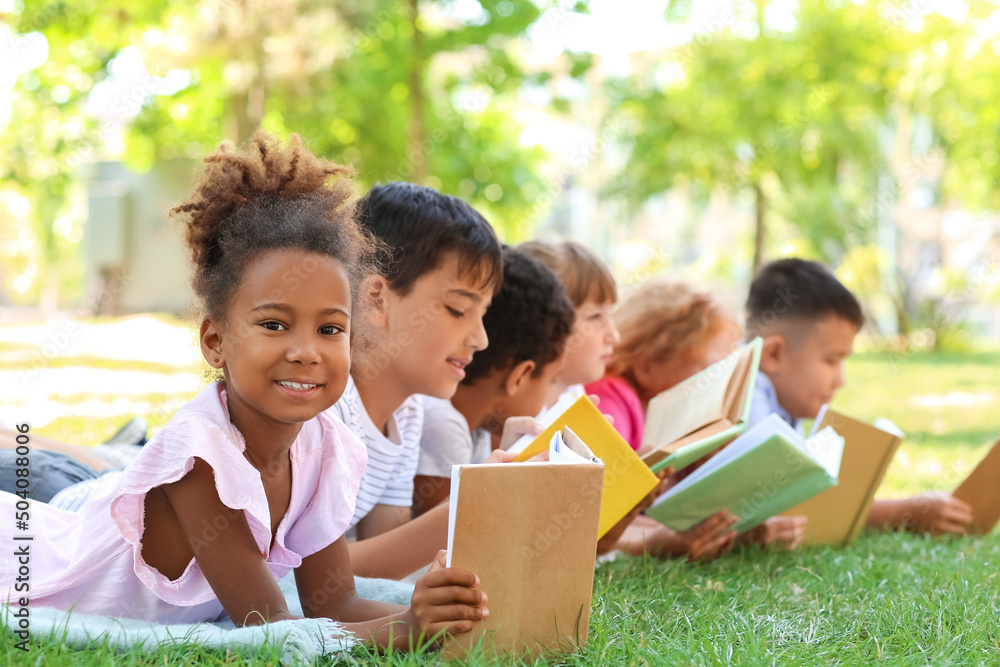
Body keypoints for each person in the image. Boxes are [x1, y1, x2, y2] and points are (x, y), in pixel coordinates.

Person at [0, 131, 487, 648]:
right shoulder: (203, 460)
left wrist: (433, 610)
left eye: (330, 329)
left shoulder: (326, 448)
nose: (307, 351)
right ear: (215, 341)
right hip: (34, 559)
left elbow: (333, 604)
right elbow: (271, 631)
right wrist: (407, 628)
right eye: (274, 325)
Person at [745, 258, 974, 536]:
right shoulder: (748, 395)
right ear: (773, 355)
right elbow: (790, 507)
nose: (841, 380)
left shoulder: (781, 401)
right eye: (831, 361)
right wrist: (906, 512)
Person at [588, 279, 805, 558]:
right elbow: (597, 521)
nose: (722, 386)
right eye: (712, 371)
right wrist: (656, 542)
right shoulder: (613, 402)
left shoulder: (678, 422)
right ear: (648, 366)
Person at [412, 246, 576, 516]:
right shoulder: (445, 425)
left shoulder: (475, 429)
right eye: (552, 380)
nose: (552, 396)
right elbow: (456, 541)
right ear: (519, 376)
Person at [518, 239, 620, 409]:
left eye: (610, 315)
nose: (614, 336)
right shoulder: (510, 418)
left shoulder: (573, 393)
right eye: (595, 317)